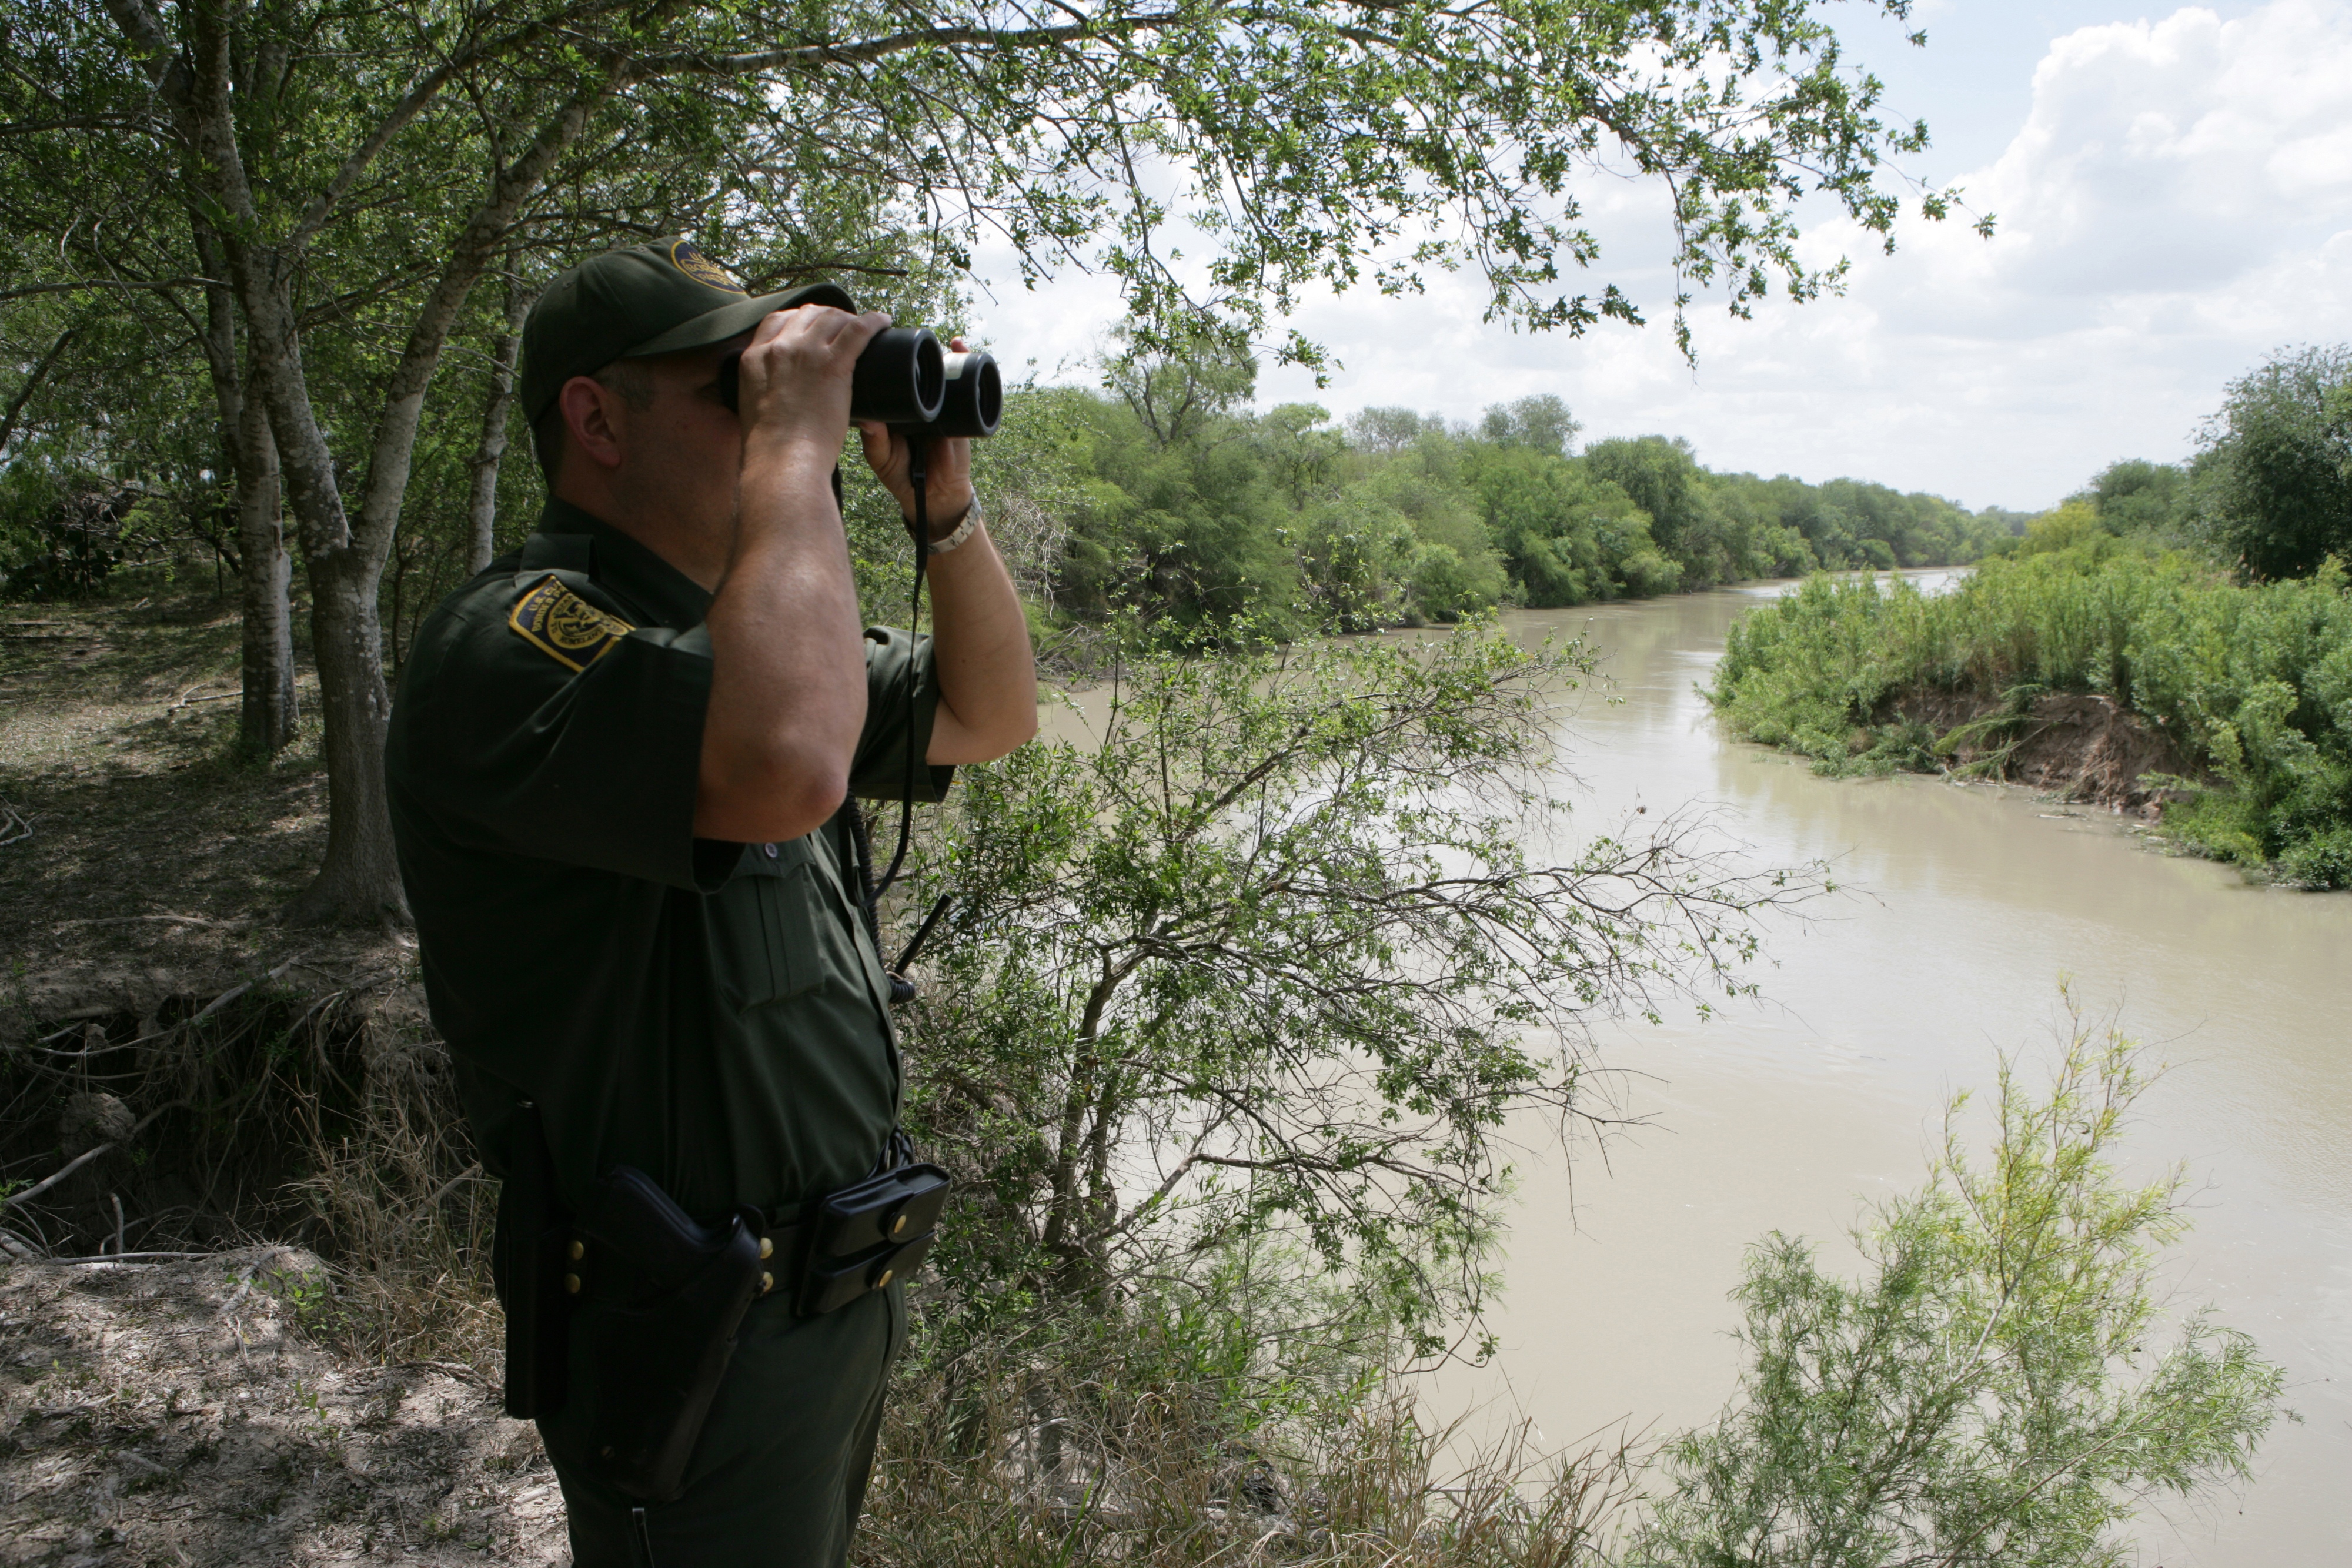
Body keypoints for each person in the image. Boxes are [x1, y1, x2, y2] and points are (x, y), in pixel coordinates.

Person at [383, 237, 1037, 1566]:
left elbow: (989, 710)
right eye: (727, 388)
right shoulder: (515, 639)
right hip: (686, 1326)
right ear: (594, 416)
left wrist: (942, 514)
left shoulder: (740, 635)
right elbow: (789, 760)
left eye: (765, 391)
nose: (760, 418)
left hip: (826, 1305)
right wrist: (794, 440)